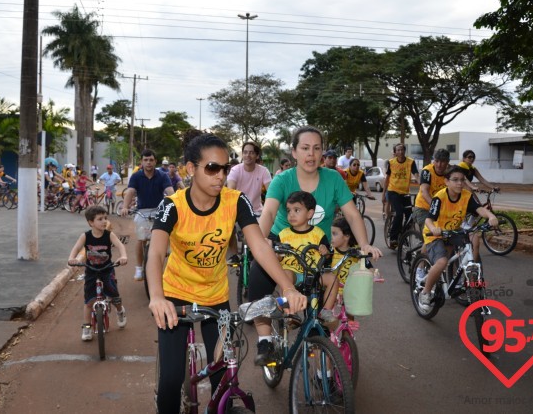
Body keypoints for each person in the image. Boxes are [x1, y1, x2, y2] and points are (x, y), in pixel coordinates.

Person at [146, 133, 307, 414]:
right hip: (175, 298)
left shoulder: (235, 201)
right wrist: (157, 298)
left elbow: (258, 244)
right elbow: (156, 254)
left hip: (215, 296)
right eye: (211, 168)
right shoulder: (173, 205)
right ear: (191, 169)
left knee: (224, 376)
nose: (220, 176)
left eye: (224, 168)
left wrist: (286, 287)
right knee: (171, 380)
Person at [249, 125, 382, 365]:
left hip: (316, 250)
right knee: (258, 277)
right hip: (283, 248)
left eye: (317, 148)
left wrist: (364, 245)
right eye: (305, 148)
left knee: (327, 306)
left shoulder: (333, 178)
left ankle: (326, 369)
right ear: (294, 152)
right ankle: (265, 340)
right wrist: (261, 241)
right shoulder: (282, 179)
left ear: (323, 153)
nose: (311, 154)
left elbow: (352, 214)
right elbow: (268, 212)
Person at [417, 166, 498, 308]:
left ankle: (466, 275)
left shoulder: (466, 196)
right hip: (436, 234)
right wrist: (434, 229)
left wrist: (491, 216)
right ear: (446, 182)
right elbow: (429, 220)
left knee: (474, 238)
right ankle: (425, 292)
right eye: (455, 180)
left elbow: (479, 209)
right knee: (442, 262)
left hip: (454, 231)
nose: (459, 183)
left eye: (462, 180)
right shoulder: (439, 197)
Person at [67, 205, 128, 341]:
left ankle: (120, 311)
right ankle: (87, 327)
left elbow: (119, 245)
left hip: (107, 269)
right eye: (100, 219)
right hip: (91, 270)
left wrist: (123, 256)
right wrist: (72, 258)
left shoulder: (109, 235)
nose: (104, 221)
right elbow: (76, 248)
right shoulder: (85, 236)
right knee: (89, 301)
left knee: (114, 295)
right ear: (91, 222)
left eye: (105, 218)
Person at [277, 191, 338, 322]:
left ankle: (326, 311)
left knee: (332, 279)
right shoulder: (283, 234)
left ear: (310, 214)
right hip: (293, 275)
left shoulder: (318, 233)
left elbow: (328, 257)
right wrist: (278, 255)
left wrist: (325, 251)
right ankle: (288, 312)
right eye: (289, 210)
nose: (291, 214)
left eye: (296, 210)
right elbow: (275, 258)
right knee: (285, 275)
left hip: (314, 274)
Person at [120, 149, 174, 282]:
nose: (148, 162)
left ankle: (166, 250)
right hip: (142, 211)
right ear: (142, 162)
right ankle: (139, 268)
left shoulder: (162, 175)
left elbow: (170, 191)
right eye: (145, 160)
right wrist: (125, 207)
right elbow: (130, 192)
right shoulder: (136, 176)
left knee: (168, 231)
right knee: (140, 239)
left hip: (159, 210)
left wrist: (176, 203)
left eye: (151, 160)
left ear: (155, 161)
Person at [383, 144, 419, 249]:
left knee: (410, 217)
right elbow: (387, 178)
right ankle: (393, 238)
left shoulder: (410, 162)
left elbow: (416, 175)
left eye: (402, 149)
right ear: (395, 152)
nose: (400, 152)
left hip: (405, 192)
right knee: (399, 213)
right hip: (393, 191)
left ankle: (403, 236)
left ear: (404, 151)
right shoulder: (391, 163)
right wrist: (383, 193)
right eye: (398, 150)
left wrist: (422, 185)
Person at [227, 141, 272, 216]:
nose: (248, 155)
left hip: (257, 212)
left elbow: (271, 192)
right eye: (245, 152)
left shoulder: (264, 171)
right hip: (237, 212)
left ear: (257, 156)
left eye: (251, 152)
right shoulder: (235, 170)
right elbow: (230, 191)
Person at [413, 149, 450, 234]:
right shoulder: (427, 171)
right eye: (436, 161)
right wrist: (436, 208)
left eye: (442, 162)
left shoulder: (450, 172)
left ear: (447, 162)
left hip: (443, 209)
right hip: (424, 208)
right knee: (430, 235)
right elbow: (424, 192)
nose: (439, 165)